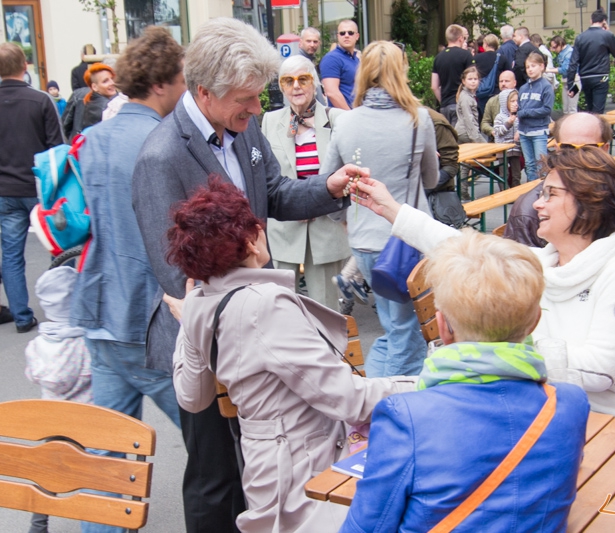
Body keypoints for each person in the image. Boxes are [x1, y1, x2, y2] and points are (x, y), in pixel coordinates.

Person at [351, 145, 615, 533]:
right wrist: (391, 209)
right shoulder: (543, 265)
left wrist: (499, 351)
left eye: (550, 194)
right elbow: (468, 251)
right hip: (557, 439)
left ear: (588, 202)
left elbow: (600, 370)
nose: (536, 205)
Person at [131, 18, 362, 533]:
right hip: (207, 342)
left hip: (255, 326)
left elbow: (275, 195)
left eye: (259, 98)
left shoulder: (241, 124)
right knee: (215, 481)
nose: (259, 109)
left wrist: (330, 186)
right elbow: (178, 276)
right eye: (247, 99)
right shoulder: (160, 157)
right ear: (204, 92)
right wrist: (248, 319)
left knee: (258, 469)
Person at [168, 177, 416, 533]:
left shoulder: (200, 301)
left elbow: (192, 399)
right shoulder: (264, 304)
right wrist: (427, 383)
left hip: (268, 473)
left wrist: (187, 321)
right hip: (311, 476)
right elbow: (348, 399)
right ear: (251, 239)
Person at [339, 230, 590, 533]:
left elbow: (367, 527)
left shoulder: (406, 415)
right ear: (535, 321)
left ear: (443, 327)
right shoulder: (570, 403)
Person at [70, 33, 186, 519]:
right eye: (181, 77)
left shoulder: (93, 139)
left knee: (107, 466)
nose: (186, 86)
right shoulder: (166, 141)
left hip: (101, 311)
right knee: (223, 443)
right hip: (153, 320)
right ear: (161, 83)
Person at [319, 41, 438, 379]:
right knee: (408, 333)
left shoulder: (345, 122)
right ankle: (391, 409)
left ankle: (369, 399)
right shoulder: (419, 120)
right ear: (400, 72)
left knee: (393, 328)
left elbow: (327, 184)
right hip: (409, 240)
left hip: (364, 241)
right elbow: (430, 178)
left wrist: (341, 219)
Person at [504, 112, 615, 282]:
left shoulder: (610, 198)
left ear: (605, 150)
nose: (577, 158)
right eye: (568, 148)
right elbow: (517, 285)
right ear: (558, 149)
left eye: (587, 149)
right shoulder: (531, 210)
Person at [261, 55, 350, 310]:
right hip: (285, 230)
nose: (296, 86)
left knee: (326, 312)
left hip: (325, 228)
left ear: (316, 83)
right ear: (282, 86)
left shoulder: (337, 120)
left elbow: (350, 165)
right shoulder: (269, 121)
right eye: (289, 81)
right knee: (280, 310)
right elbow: (266, 175)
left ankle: (329, 352)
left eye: (303, 79)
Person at [0, 42, 63, 334]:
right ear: (25, 66)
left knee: (11, 254)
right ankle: (60, 309)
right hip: (39, 187)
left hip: (5, 190)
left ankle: (22, 317)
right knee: (56, 248)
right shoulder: (40, 101)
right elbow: (58, 149)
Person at [24, 266, 92, 533]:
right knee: (93, 468)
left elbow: (32, 374)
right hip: (87, 419)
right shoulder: (86, 343)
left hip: (51, 419)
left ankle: (38, 524)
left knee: (47, 470)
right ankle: (93, 518)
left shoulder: (37, 345)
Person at [566, 9, 615, 114]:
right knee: (598, 111)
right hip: (601, 75)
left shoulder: (580, 37)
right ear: (604, 21)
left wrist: (570, 85)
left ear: (591, 20)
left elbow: (573, 63)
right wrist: (608, 32)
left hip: (585, 77)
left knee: (590, 108)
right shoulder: (607, 35)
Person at [518, 53, 553, 182]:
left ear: (541, 67)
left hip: (538, 131)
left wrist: (526, 113)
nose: (530, 69)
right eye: (528, 67)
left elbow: (546, 109)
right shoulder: (523, 88)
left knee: (541, 163)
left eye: (533, 66)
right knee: (529, 164)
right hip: (524, 131)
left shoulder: (546, 86)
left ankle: (543, 189)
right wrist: (520, 112)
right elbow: (519, 107)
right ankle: (532, 190)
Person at [431, 24, 473, 126]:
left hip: (445, 105)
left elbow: (434, 86)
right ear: (460, 38)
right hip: (460, 104)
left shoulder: (438, 57)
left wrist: (443, 101)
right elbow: (471, 79)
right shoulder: (466, 55)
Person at [320, 20, 360, 110]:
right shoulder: (332, 59)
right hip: (342, 117)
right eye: (342, 33)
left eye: (350, 33)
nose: (346, 35)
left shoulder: (356, 59)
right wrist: (350, 115)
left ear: (357, 36)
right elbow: (332, 93)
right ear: (338, 36)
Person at [474, 33, 511, 111]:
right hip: (497, 92)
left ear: (486, 44)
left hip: (482, 93)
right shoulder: (502, 58)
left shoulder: (477, 58)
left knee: (484, 118)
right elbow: (509, 74)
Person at [493, 89, 521, 187]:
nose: (515, 104)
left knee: (516, 174)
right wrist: (508, 123)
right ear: (505, 103)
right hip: (503, 150)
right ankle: (504, 192)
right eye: (512, 101)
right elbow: (498, 132)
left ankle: (516, 192)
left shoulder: (519, 116)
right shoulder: (499, 117)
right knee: (504, 173)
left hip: (516, 148)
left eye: (517, 101)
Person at [480, 70, 516, 139]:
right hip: (498, 140)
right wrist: (493, 131)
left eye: (507, 81)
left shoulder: (520, 99)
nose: (503, 84)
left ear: (514, 83)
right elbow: (484, 123)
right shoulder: (492, 101)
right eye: (501, 81)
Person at [80, 63, 117, 130]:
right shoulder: (107, 106)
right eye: (105, 81)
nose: (112, 83)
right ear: (94, 87)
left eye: (112, 79)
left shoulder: (92, 102)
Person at [549, 36, 579, 114]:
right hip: (566, 81)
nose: (553, 50)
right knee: (565, 108)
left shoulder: (569, 52)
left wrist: (548, 70)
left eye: (554, 47)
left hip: (575, 81)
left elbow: (565, 69)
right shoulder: (562, 53)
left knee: (572, 108)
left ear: (560, 44)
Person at [455, 66, 482, 144]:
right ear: (463, 81)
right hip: (466, 132)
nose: (473, 81)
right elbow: (468, 118)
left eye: (475, 79)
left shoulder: (470, 96)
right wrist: (475, 138)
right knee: (489, 152)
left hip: (467, 131)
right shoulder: (465, 97)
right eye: (470, 79)